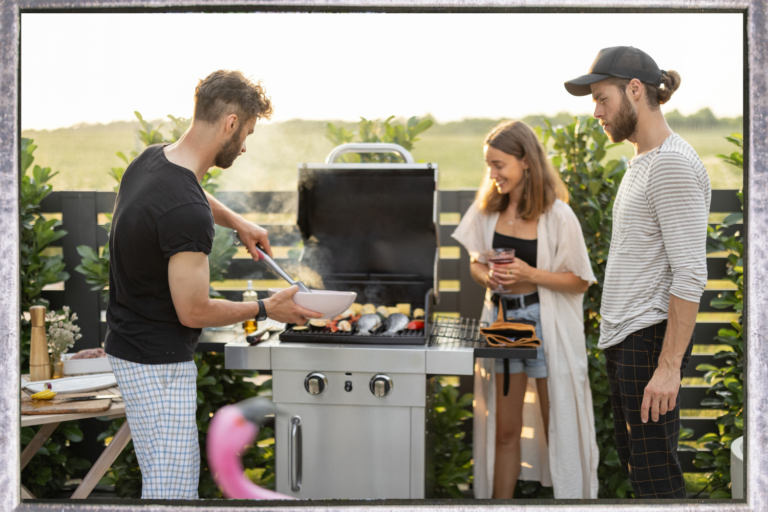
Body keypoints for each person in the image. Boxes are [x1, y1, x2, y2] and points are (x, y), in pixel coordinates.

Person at [104, 70, 322, 499]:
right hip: (159, 367)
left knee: (161, 483)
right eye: (248, 133)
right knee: (173, 494)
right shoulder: (185, 211)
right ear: (231, 123)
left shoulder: (151, 161)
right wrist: (266, 308)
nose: (244, 146)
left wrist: (236, 220)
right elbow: (194, 311)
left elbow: (188, 190)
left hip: (129, 347)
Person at [564, 46, 710, 499]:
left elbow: (690, 275)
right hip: (629, 340)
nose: (596, 112)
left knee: (657, 483)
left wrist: (668, 368)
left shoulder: (670, 163)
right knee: (640, 473)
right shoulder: (643, 160)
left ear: (634, 90)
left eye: (602, 98)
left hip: (648, 342)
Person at [452, 120, 600, 499]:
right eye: (489, 164)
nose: (492, 173)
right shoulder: (487, 209)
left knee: (557, 427)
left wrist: (531, 273)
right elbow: (474, 260)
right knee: (504, 430)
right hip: (502, 326)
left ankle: (567, 504)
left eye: (499, 164)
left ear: (526, 162)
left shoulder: (557, 215)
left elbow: (580, 280)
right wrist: (486, 276)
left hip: (543, 324)